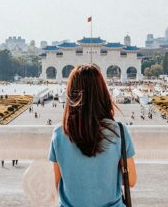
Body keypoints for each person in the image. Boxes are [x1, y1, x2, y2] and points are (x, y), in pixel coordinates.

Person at [49, 64, 137, 207]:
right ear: (102, 92)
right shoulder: (118, 131)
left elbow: (57, 182)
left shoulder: (59, 133)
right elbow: (131, 180)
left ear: (71, 93)